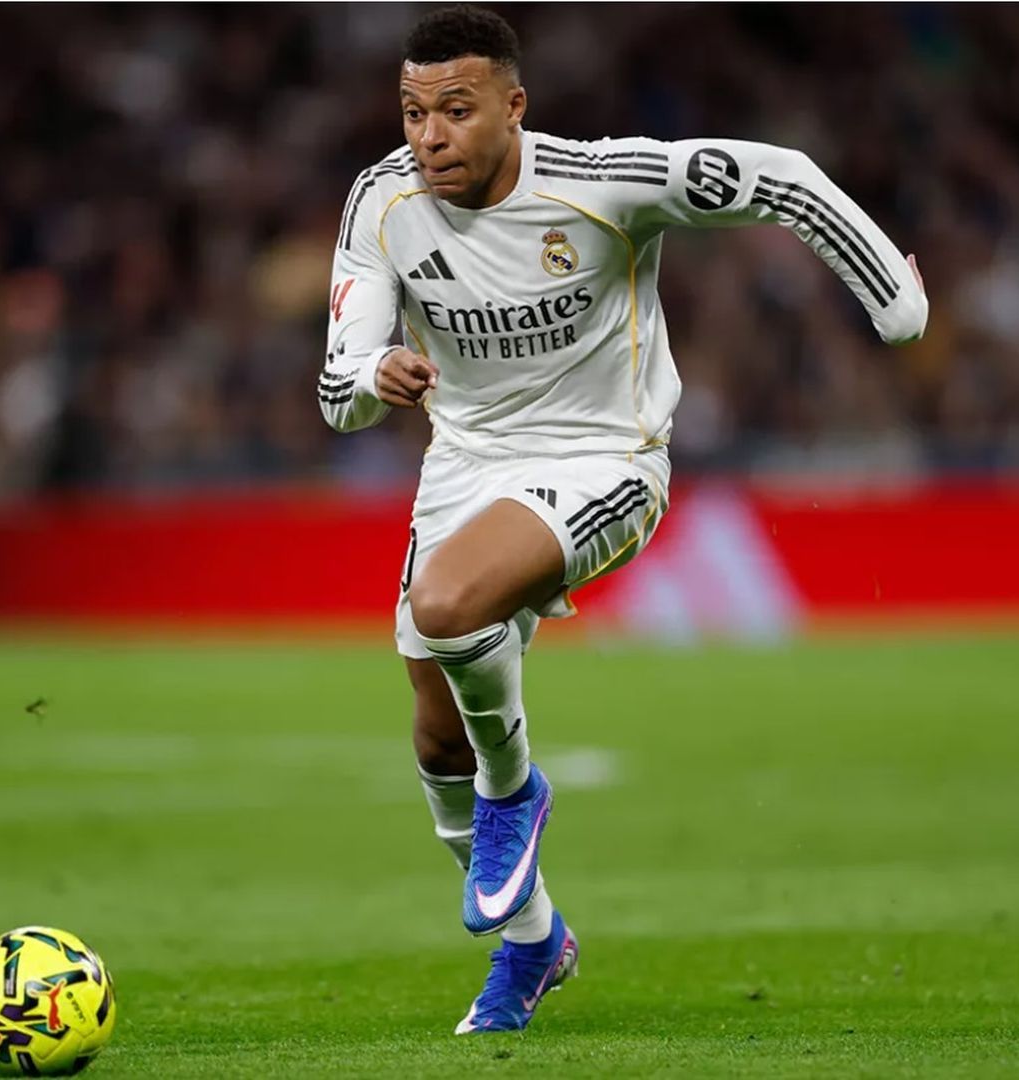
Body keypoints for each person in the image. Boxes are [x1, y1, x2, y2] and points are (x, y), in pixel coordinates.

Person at [317, 6, 928, 1034]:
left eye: (457, 110)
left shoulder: (602, 183)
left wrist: (894, 302)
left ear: (515, 107)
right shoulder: (381, 202)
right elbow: (339, 394)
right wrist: (376, 373)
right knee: (435, 735)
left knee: (445, 607)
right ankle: (533, 944)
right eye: (414, 113)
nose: (430, 136)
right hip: (464, 469)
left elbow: (778, 176)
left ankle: (515, 793)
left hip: (605, 459)